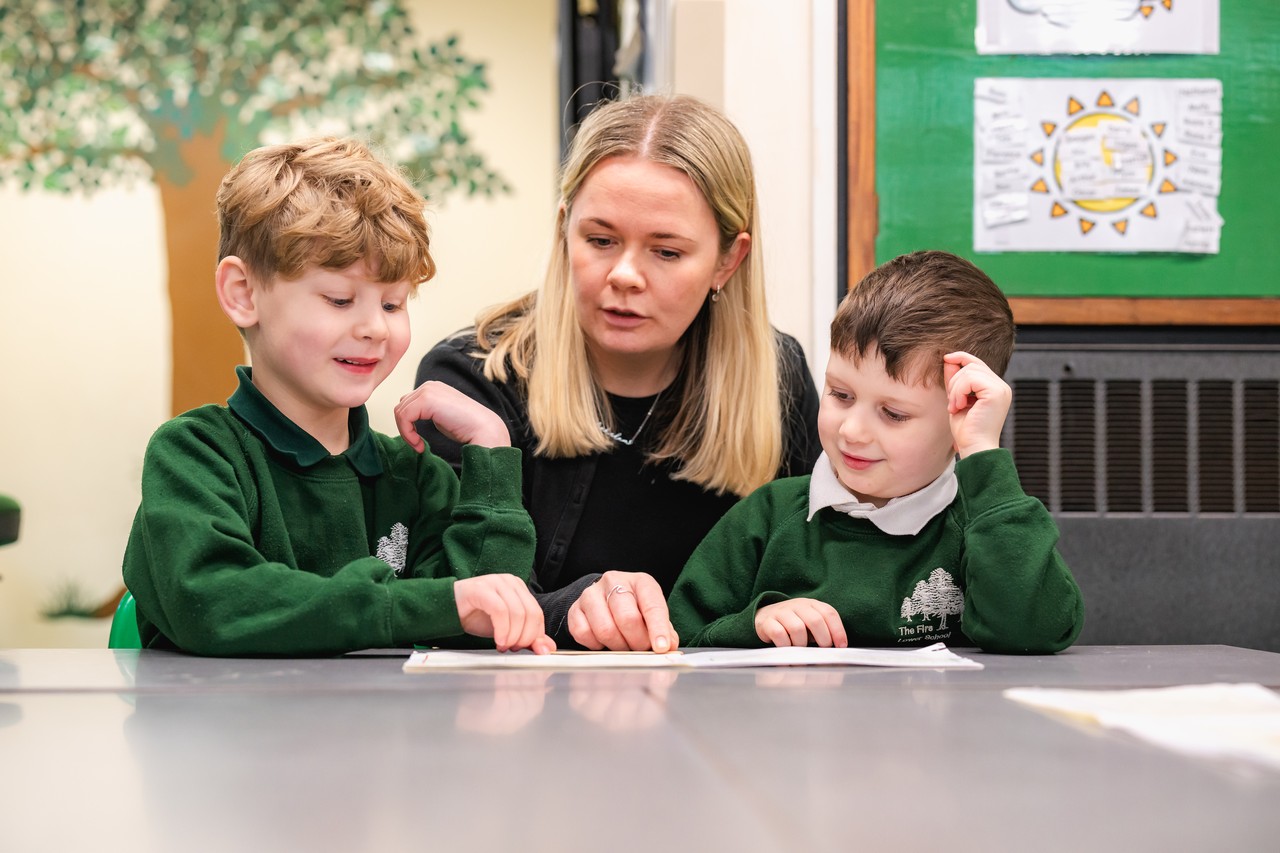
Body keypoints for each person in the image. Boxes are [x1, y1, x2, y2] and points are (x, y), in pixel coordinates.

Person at [396, 94, 821, 651]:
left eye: (666, 252)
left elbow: (819, 572)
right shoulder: (472, 378)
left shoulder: (777, 378)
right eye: (600, 241)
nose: (624, 275)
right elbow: (444, 594)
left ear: (727, 260)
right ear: (563, 232)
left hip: (726, 717)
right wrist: (566, 611)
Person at [122, 137, 554, 657]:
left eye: (393, 304)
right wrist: (405, 607)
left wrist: (491, 454)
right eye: (339, 299)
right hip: (229, 735)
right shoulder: (193, 456)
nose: (374, 327)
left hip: (381, 736)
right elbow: (215, 602)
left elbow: (490, 618)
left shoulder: (415, 475)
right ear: (243, 292)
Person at [667, 250, 1084, 654]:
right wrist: (754, 624)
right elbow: (680, 636)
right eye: (841, 394)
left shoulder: (984, 524)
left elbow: (1036, 630)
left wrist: (981, 453)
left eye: (893, 413)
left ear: (960, 416)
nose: (852, 430)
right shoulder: (766, 518)